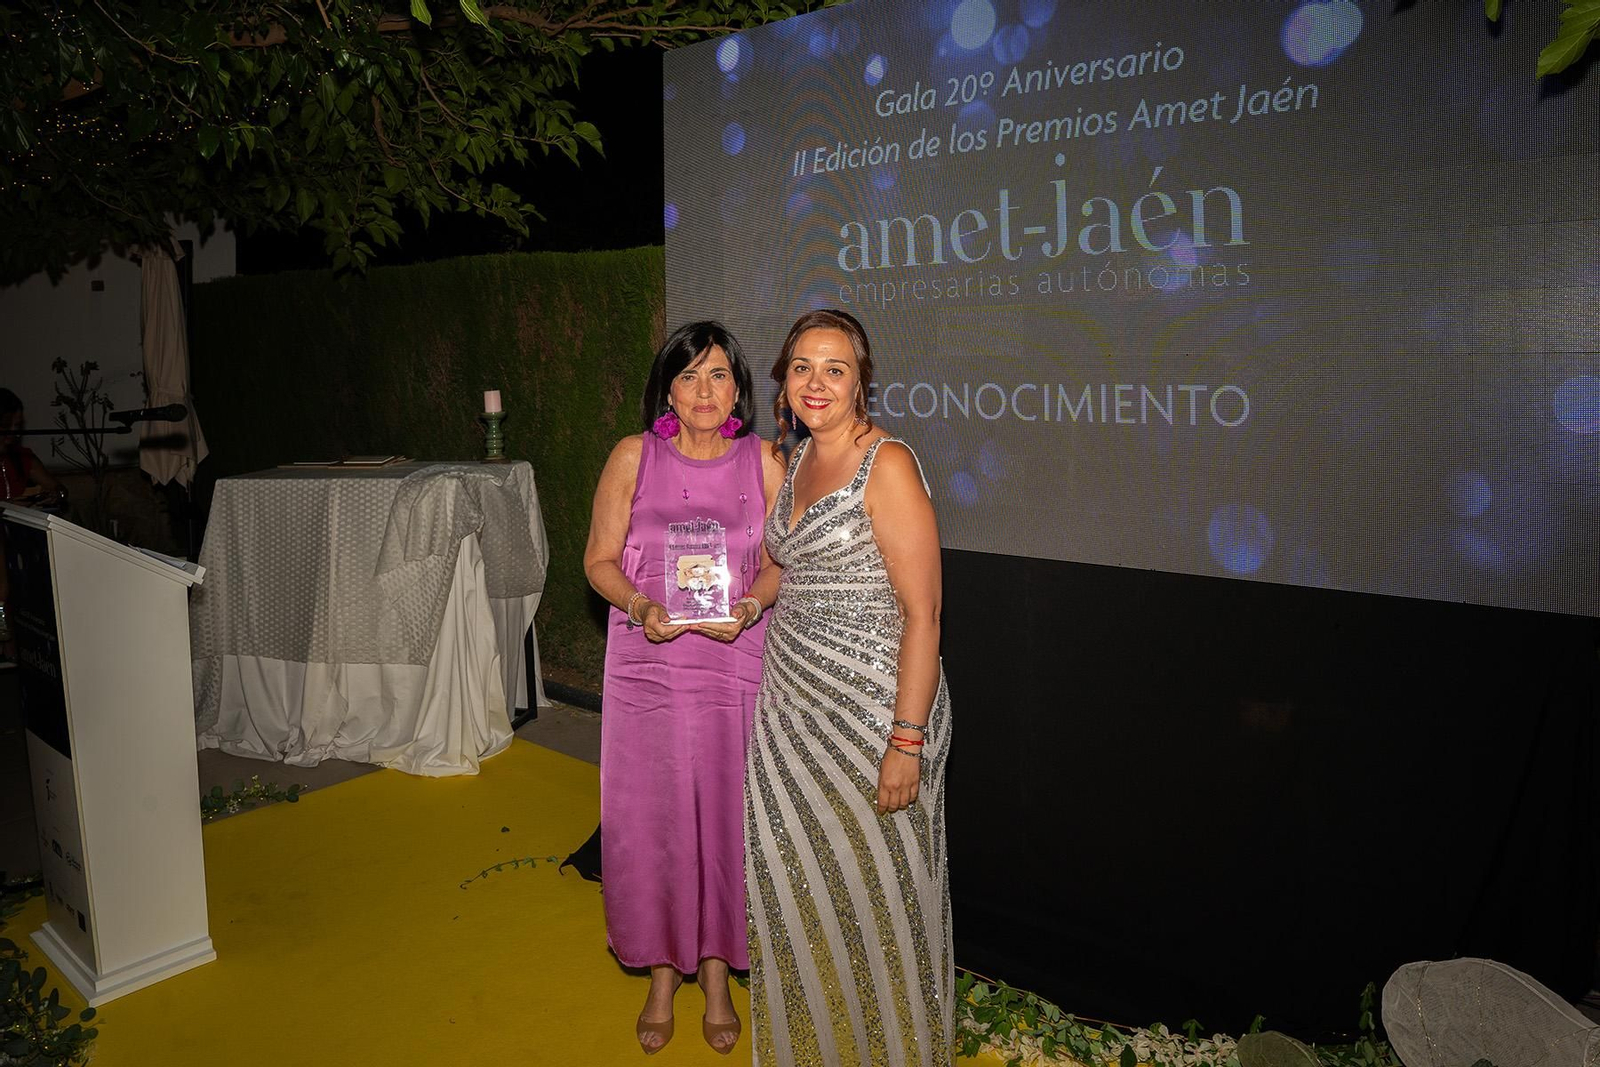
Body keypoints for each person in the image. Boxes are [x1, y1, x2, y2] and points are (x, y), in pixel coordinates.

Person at [745, 308, 955, 1066]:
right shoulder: (792, 458)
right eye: (802, 366)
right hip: (789, 706)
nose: (817, 382)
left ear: (861, 379)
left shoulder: (887, 462)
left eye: (835, 368)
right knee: (799, 889)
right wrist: (744, 603)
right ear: (784, 379)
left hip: (874, 711)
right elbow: (784, 563)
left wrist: (908, 739)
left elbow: (923, 612)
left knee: (880, 901)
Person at [583, 321, 785, 1055]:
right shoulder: (633, 456)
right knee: (658, 817)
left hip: (738, 663)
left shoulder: (763, 461)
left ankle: (721, 972)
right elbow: (598, 560)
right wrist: (639, 606)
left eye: (720, 375)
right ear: (667, 385)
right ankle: (663, 974)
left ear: (740, 389)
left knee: (731, 817)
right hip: (650, 664)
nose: (705, 390)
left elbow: (778, 562)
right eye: (690, 375)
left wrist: (753, 604)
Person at [0, 389, 65, 662]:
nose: (13, 434)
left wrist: (52, 494)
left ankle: (19, 649)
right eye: (7, 428)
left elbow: (58, 489)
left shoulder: (21, 456)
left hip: (17, 538)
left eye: (18, 427)